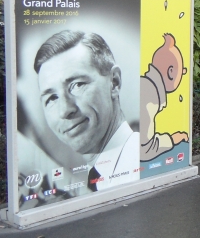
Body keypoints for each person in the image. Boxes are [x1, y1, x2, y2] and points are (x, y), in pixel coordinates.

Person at [35, 30, 139, 191]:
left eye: (77, 85)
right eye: (52, 98)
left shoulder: (143, 161)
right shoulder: (96, 176)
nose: (65, 110)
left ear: (114, 82)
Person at [141, 33, 189, 161]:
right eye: (182, 71)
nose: (183, 74)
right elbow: (145, 149)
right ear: (171, 72)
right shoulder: (150, 95)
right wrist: (172, 139)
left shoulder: (147, 86)